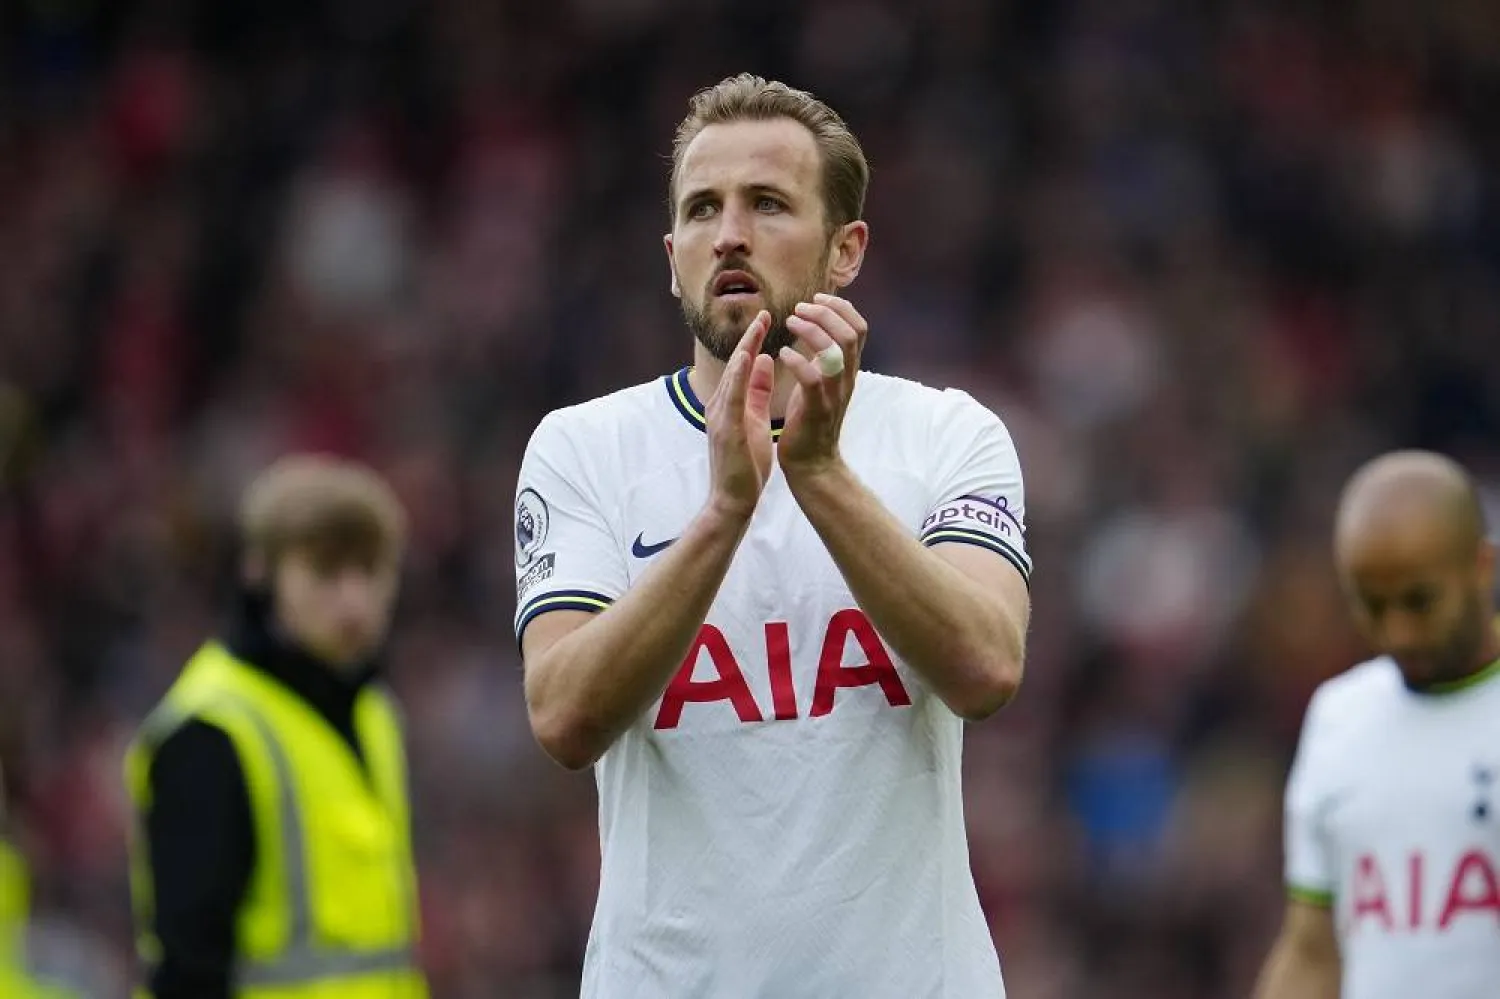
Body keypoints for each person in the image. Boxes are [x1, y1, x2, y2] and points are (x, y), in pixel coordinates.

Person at [514, 73, 1032, 997]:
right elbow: (563, 716)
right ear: (672, 253)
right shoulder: (583, 449)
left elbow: (987, 666)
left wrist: (821, 475)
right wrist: (722, 515)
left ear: (846, 250)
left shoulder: (950, 434)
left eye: (767, 204)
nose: (731, 234)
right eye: (703, 209)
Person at [123, 455, 428, 999]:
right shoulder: (211, 732)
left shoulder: (375, 712)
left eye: (372, 570)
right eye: (326, 572)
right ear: (260, 574)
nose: (355, 601)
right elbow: (187, 971)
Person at [1252, 450, 1500, 999]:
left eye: (1419, 601)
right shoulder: (1340, 717)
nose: (1398, 632)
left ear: (1482, 567)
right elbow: (1313, 951)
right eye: (1372, 605)